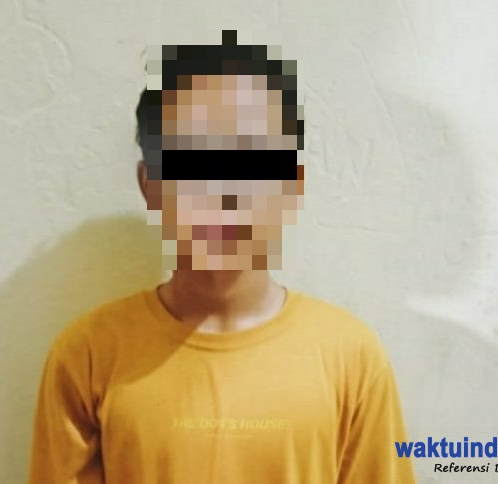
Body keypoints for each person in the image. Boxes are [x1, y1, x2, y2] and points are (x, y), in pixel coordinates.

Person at [27, 30, 415, 484]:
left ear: (292, 184)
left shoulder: (351, 358)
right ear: (149, 185)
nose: (222, 189)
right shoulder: (88, 356)